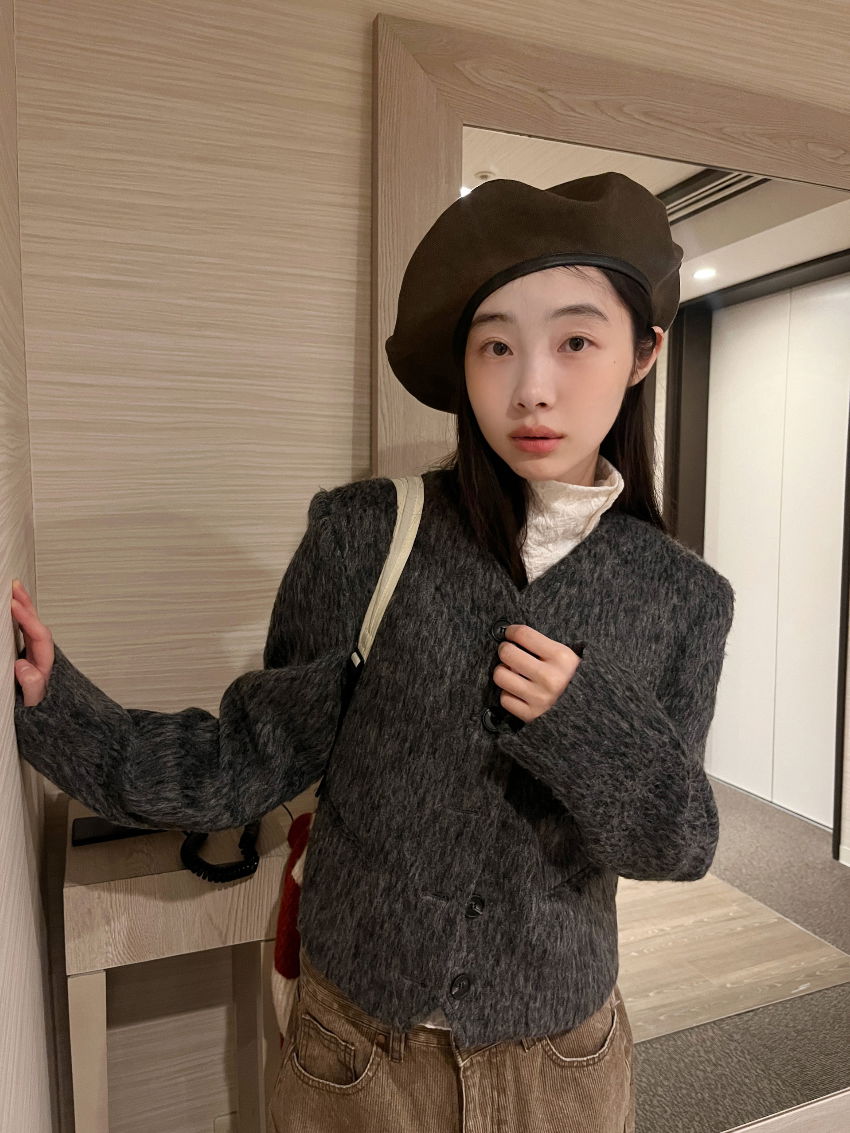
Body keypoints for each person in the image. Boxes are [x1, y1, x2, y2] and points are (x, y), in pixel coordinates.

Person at [12, 172, 735, 1133]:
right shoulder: (368, 537)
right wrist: (59, 705)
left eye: (575, 341)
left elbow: (680, 842)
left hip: (564, 1065)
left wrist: (584, 723)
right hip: (357, 1058)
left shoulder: (685, 598)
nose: (532, 387)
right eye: (495, 345)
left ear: (643, 352)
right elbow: (247, 758)